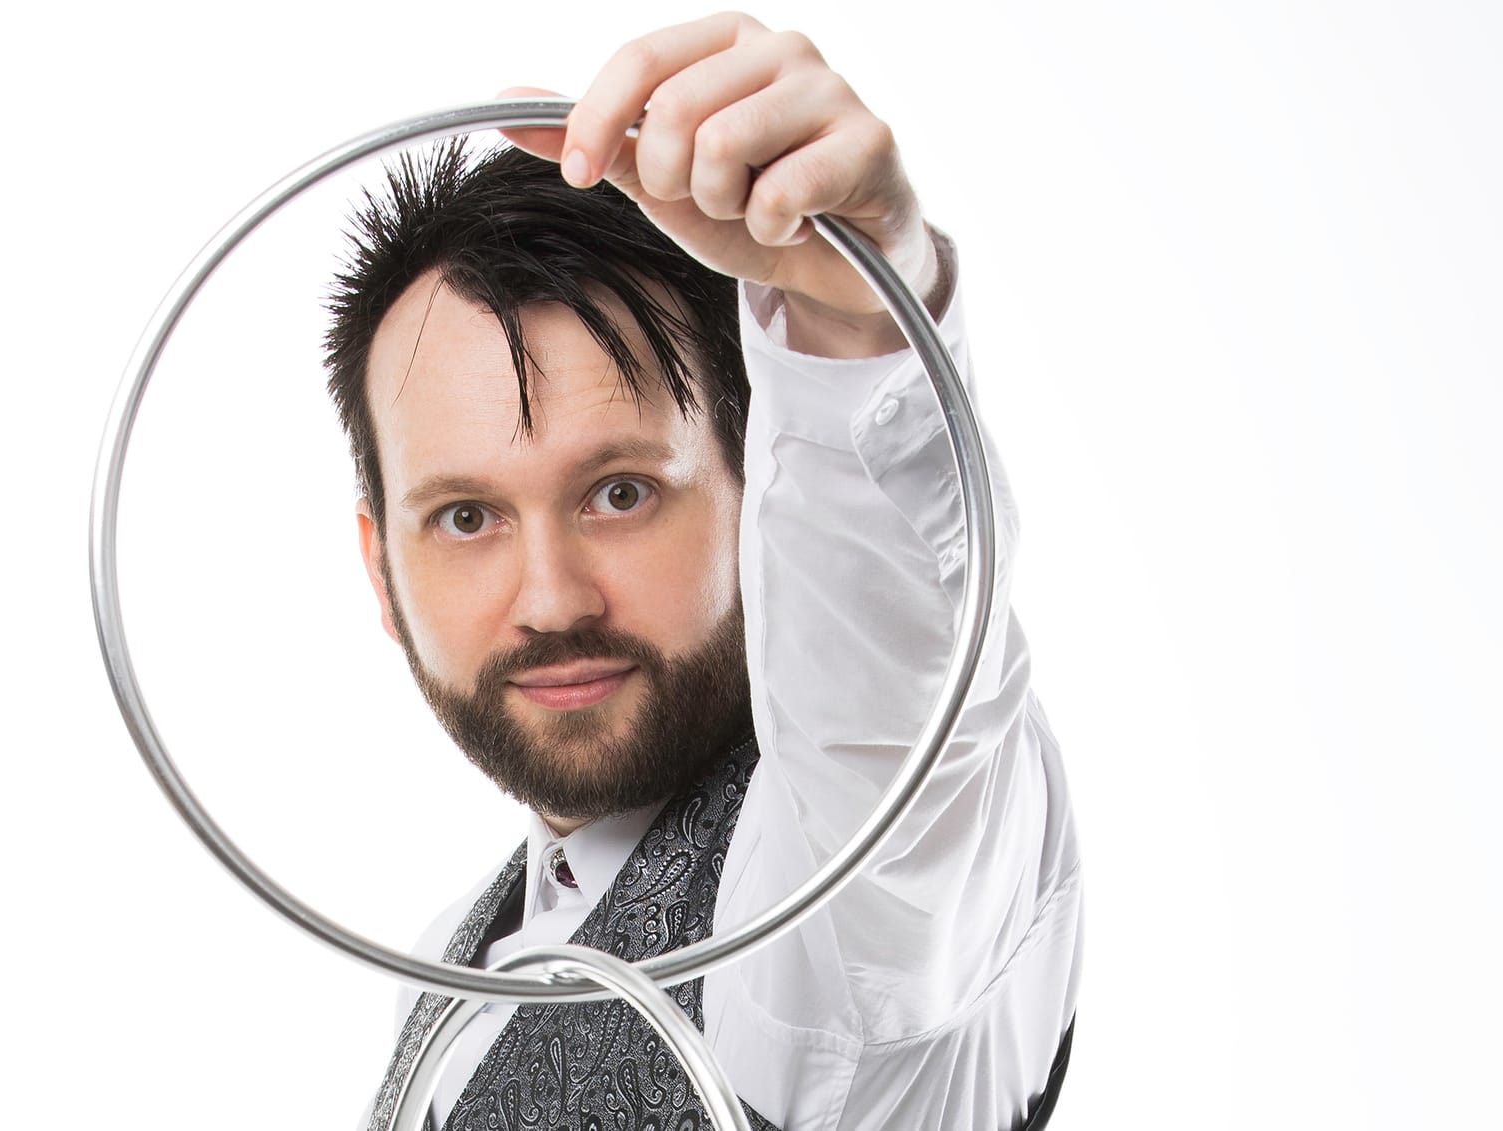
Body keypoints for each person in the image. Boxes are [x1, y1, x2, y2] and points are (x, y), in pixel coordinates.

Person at [324, 12, 1081, 1130]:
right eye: (467, 516)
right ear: (381, 572)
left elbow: (891, 698)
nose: (549, 598)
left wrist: (851, 314)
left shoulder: (842, 903)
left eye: (619, 493)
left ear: (754, 497)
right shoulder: (451, 966)